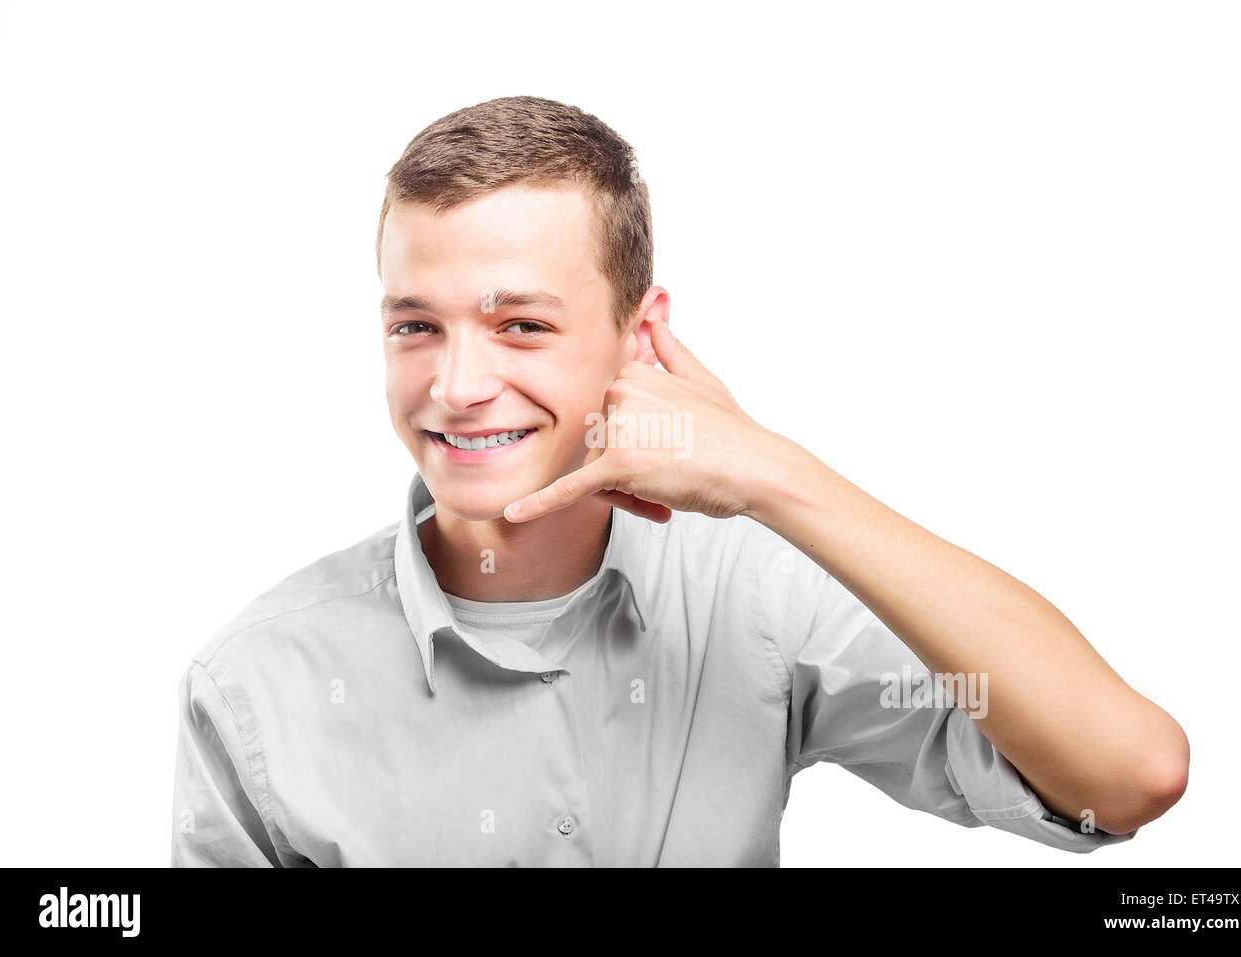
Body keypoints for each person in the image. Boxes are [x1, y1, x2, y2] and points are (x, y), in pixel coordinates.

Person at [170, 95, 1188, 867]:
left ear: (638, 338)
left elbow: (1127, 775)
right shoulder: (253, 685)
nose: (457, 385)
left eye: (521, 325)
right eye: (415, 326)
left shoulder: (754, 598)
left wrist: (771, 474)